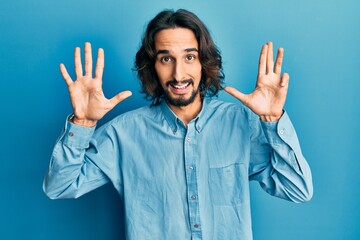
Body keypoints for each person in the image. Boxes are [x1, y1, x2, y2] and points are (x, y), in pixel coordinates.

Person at [43, 9, 313, 240]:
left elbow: (298, 189)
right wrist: (83, 122)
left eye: (189, 57)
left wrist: (272, 120)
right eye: (165, 59)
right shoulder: (122, 134)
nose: (178, 73)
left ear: (204, 62)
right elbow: (59, 187)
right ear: (152, 66)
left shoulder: (241, 125)